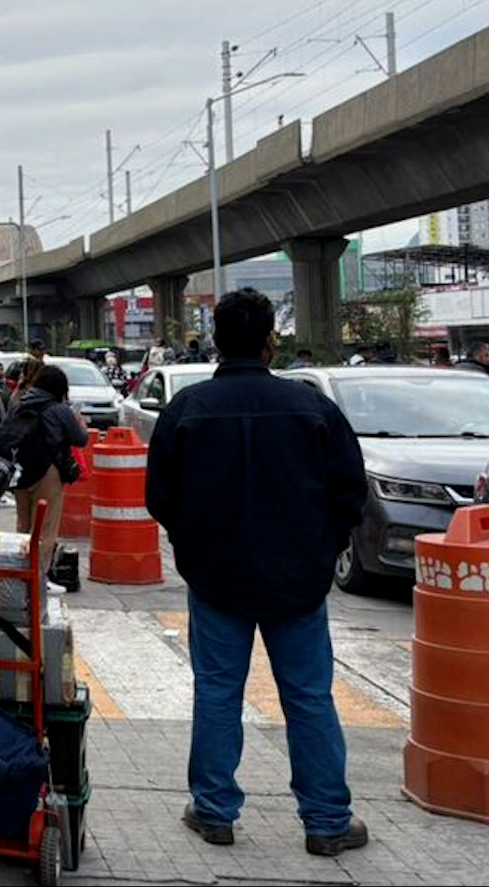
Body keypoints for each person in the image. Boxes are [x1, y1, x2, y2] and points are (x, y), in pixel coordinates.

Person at [146, 288, 369, 856]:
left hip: (217, 578)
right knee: (309, 696)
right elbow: (350, 492)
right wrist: (322, 548)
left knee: (218, 693)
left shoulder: (188, 409)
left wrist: (194, 545)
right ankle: (327, 821)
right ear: (271, 342)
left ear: (215, 341)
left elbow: (160, 497)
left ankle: (214, 811)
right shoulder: (312, 409)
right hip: (299, 579)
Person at [0, 363, 89, 587]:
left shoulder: (19, 404)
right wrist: (80, 422)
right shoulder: (58, 409)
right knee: (45, 528)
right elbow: (80, 439)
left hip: (19, 471)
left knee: (23, 525)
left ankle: (19, 576)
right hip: (48, 471)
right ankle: (38, 579)